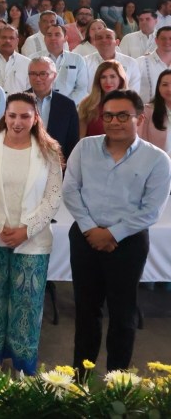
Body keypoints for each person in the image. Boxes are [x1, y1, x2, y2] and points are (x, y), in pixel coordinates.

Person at [63, 89, 171, 373]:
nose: (114, 122)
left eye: (123, 115)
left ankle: (117, 386)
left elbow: (151, 210)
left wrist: (112, 234)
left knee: (123, 315)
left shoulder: (157, 159)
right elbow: (70, 191)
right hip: (85, 238)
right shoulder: (84, 148)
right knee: (86, 312)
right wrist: (91, 230)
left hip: (128, 244)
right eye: (108, 115)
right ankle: (79, 381)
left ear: (139, 118)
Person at [0, 93, 64, 375]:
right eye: (12, 116)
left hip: (33, 241)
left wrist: (27, 229)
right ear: (4, 117)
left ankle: (23, 369)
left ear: (35, 118)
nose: (18, 122)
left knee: (27, 306)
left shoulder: (49, 149)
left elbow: (53, 196)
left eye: (25, 116)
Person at [26, 56, 80, 162]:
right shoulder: (17, 101)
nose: (37, 78)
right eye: (33, 74)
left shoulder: (67, 105)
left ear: (54, 76)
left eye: (43, 74)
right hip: (25, 161)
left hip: (56, 163)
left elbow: (72, 142)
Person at [78, 61, 129, 138]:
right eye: (103, 77)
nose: (108, 81)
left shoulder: (130, 104)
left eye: (112, 76)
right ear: (98, 80)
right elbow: (80, 139)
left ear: (120, 79)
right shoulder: (87, 104)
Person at [83, 27, 140, 94]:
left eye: (108, 37)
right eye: (100, 38)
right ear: (94, 43)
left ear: (117, 42)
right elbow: (82, 90)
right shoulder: (84, 62)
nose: (104, 40)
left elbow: (133, 92)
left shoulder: (131, 63)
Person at [0, 25, 31, 95]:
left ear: (17, 41)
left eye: (11, 38)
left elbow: (29, 90)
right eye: (3, 37)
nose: (7, 41)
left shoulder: (27, 63)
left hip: (18, 104)